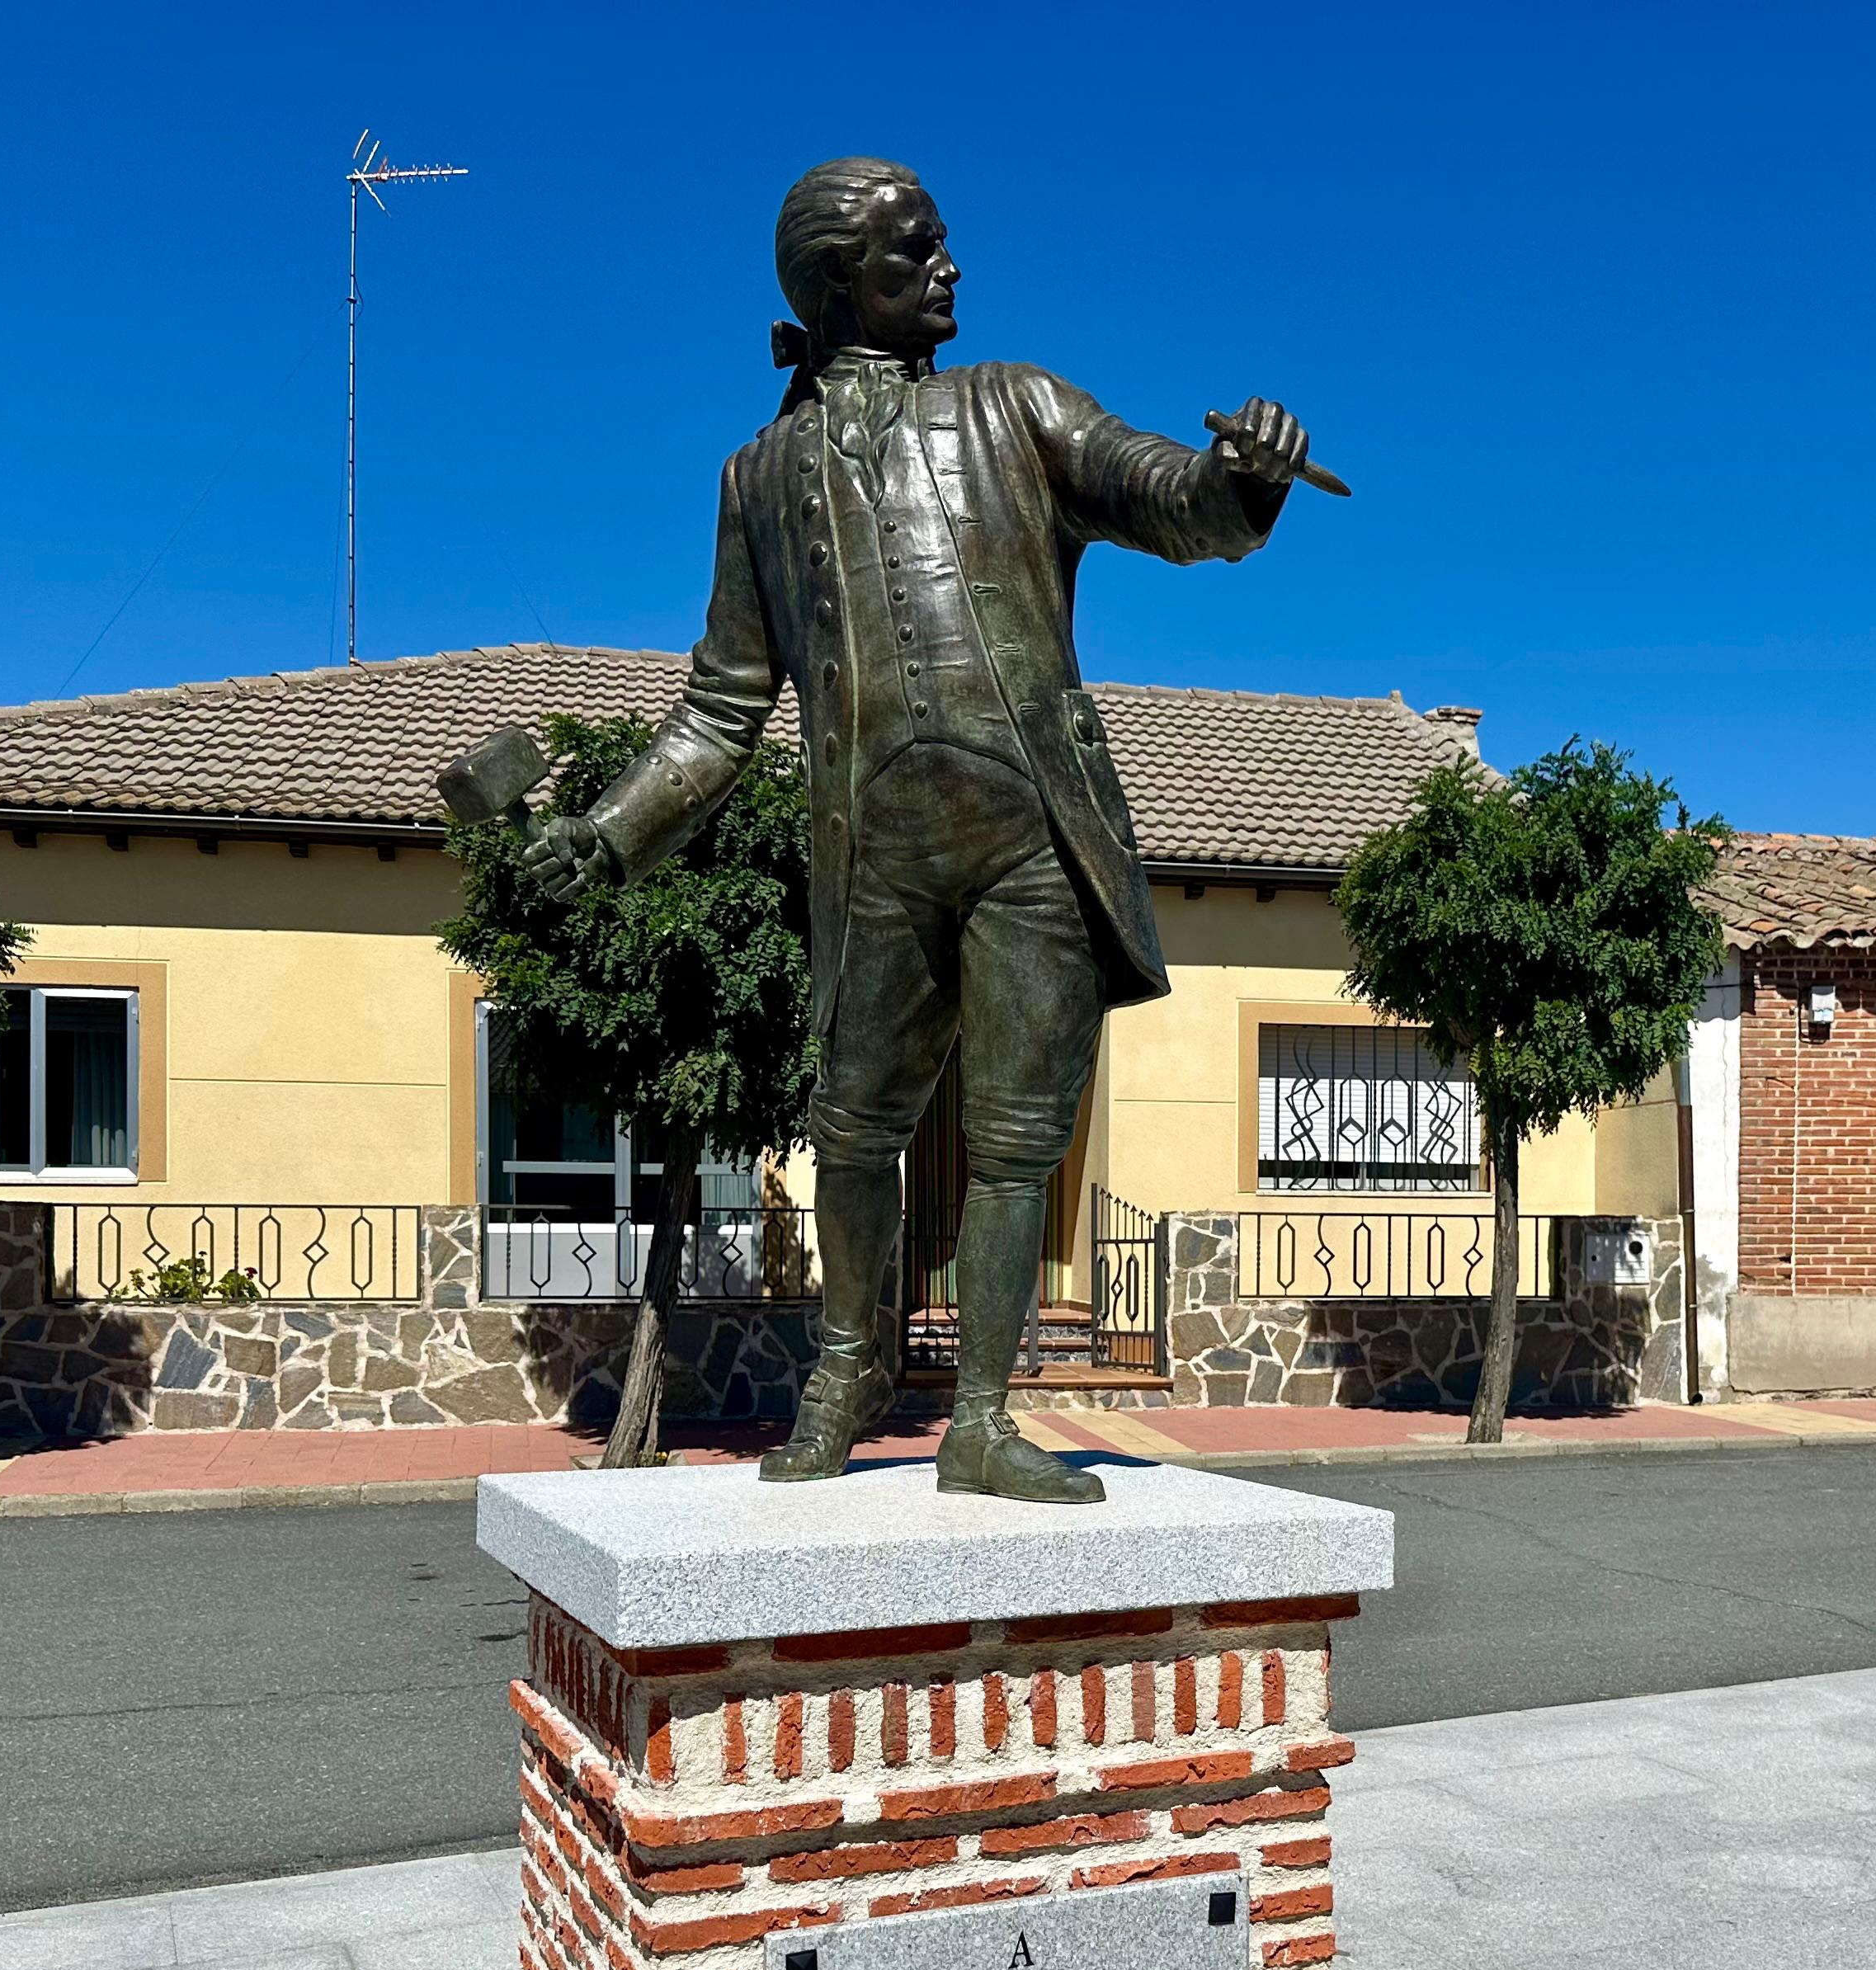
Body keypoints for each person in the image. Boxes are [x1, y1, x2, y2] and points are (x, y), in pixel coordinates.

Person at [522, 158, 1318, 1501]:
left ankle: (986, 1421)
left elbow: (1162, 494)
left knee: (1017, 1138)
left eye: (943, 244)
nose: (951, 267)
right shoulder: (759, 477)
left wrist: (1243, 482)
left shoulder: (1015, 405)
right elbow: (720, 712)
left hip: (1033, 840)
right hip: (876, 853)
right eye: (917, 249)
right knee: (853, 1126)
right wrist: (606, 836)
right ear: (843, 284)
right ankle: (845, 1368)